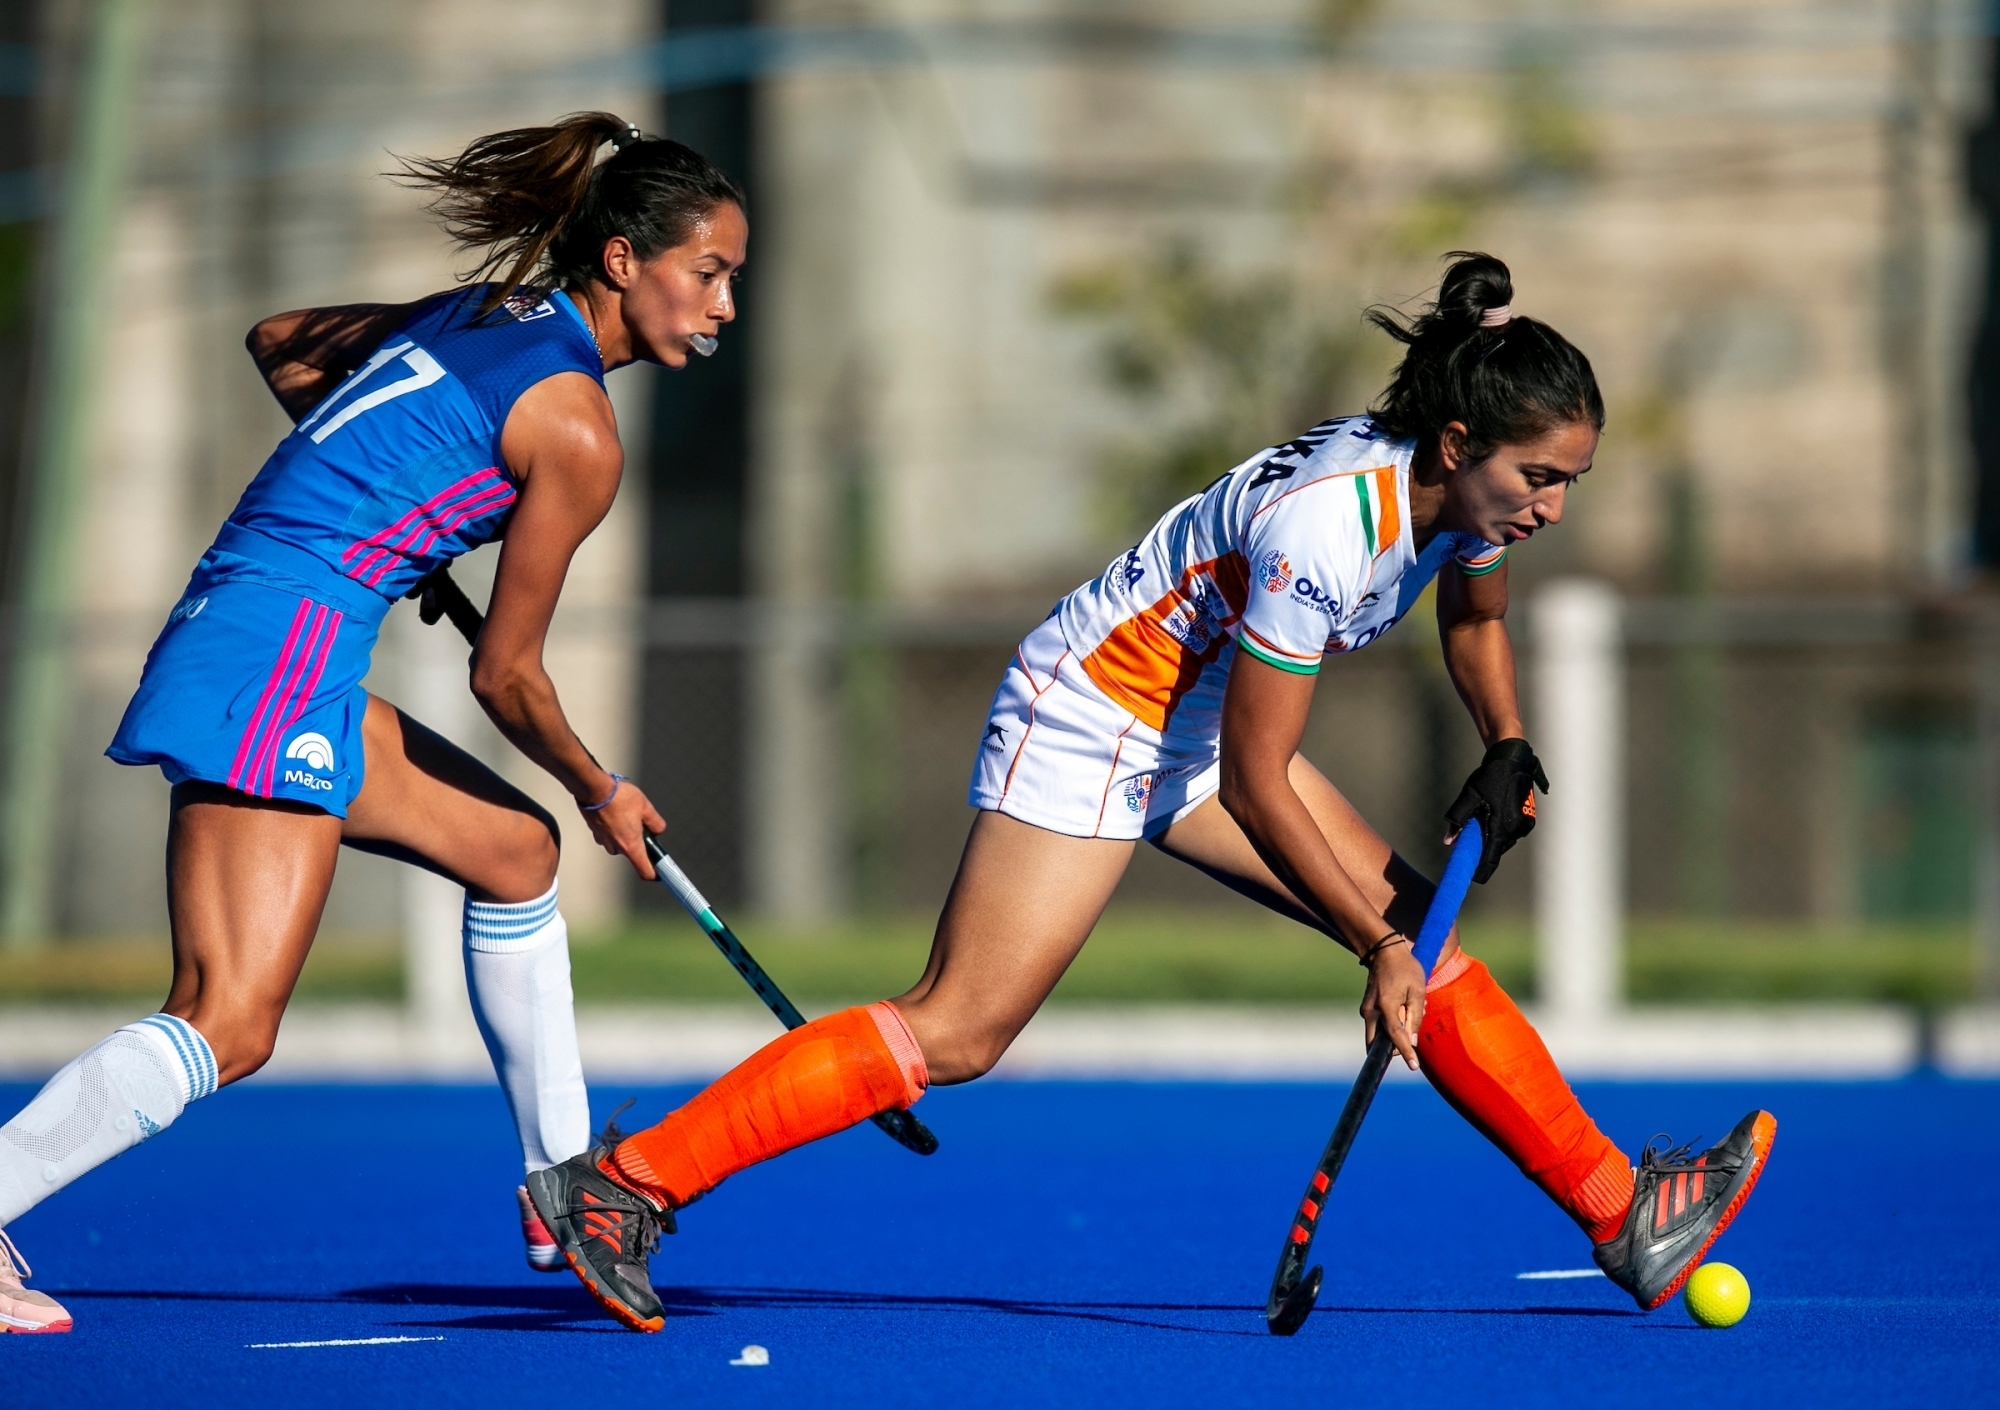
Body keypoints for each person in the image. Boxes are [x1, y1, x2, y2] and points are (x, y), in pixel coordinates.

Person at [525, 252, 1776, 1334]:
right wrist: (1376, 943)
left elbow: (1473, 602)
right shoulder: (1323, 532)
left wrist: (1502, 737)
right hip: (1092, 714)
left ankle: (1623, 1214)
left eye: (1569, 483)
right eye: (1540, 480)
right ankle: (624, 1186)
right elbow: (1255, 774)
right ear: (1459, 448)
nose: (1550, 508)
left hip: (1185, 713)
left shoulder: (1472, 492)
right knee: (957, 1028)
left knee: (1424, 945)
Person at [0, 112, 745, 1333]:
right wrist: (601, 783)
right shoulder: (576, 429)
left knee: (513, 852)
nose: (720, 306)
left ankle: (567, 1186)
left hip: (287, 638)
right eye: (707, 274)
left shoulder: (484, 315)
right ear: (623, 262)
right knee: (228, 1020)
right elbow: (508, 678)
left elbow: (283, 345)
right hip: (279, 650)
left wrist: (399, 515)